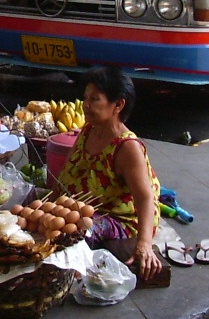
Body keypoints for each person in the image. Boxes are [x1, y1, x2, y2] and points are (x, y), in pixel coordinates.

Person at [58, 66, 163, 281]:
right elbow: (68, 171)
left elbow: (145, 198)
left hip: (119, 218)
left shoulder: (127, 147)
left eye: (94, 99)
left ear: (118, 105)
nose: (86, 105)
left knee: (82, 229)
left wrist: (144, 244)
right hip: (84, 206)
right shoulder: (89, 130)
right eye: (86, 98)